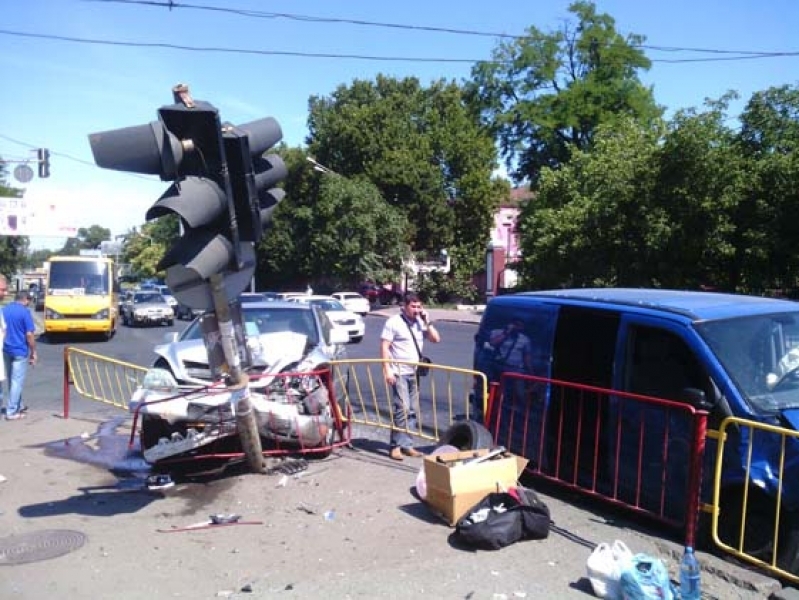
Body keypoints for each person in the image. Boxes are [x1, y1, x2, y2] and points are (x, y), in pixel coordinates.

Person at [380, 292, 441, 460]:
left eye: (419, 306)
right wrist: (387, 370)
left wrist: (427, 321)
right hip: (399, 372)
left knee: (413, 410)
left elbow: (436, 339)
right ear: (404, 306)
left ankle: (407, 445)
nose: (416, 309)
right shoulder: (393, 322)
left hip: (414, 373)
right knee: (403, 408)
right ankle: (395, 446)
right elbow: (385, 346)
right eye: (413, 306)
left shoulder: (420, 323)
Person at [2, 290, 36, 421]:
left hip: (6, 349)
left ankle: (18, 405)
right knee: (17, 381)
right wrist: (33, 352)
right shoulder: (24, 312)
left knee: (13, 379)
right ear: (25, 299)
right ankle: (11, 412)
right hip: (20, 351)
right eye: (29, 301)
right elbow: (29, 335)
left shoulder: (4, 310)